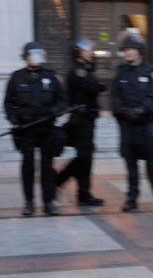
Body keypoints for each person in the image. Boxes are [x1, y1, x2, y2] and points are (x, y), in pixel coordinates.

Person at [111, 33, 153, 212]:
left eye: (131, 49)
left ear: (139, 51)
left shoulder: (151, 72)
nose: (128, 53)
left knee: (152, 167)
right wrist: (125, 112)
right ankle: (131, 200)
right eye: (125, 50)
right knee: (131, 170)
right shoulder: (120, 73)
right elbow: (114, 99)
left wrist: (141, 110)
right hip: (128, 129)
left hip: (146, 128)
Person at [4, 42, 66, 216]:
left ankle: (48, 202)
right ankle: (29, 202)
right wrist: (14, 120)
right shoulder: (16, 78)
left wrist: (53, 112)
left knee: (47, 167)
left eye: (39, 54)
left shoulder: (51, 77)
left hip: (46, 129)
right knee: (28, 167)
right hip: (26, 129)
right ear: (25, 57)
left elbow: (62, 101)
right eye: (32, 54)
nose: (36, 57)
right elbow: (9, 104)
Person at [56, 39, 105, 206]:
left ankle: (84, 194)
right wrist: (97, 82)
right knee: (84, 157)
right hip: (80, 121)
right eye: (87, 50)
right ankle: (58, 180)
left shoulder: (86, 70)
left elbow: (99, 85)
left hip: (88, 120)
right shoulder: (77, 72)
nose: (91, 52)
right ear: (78, 53)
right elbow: (97, 87)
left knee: (86, 157)